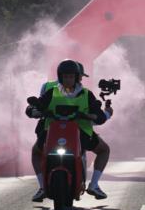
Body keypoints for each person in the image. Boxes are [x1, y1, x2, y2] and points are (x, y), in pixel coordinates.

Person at [27, 59, 112, 201]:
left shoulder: (87, 94)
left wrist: (90, 115)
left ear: (77, 77)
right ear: (60, 77)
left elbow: (100, 116)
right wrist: (33, 110)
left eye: (71, 76)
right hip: (52, 134)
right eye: (65, 76)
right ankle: (42, 187)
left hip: (82, 135)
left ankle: (94, 185)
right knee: (35, 152)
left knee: (104, 149)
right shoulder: (51, 93)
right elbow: (36, 106)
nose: (68, 79)